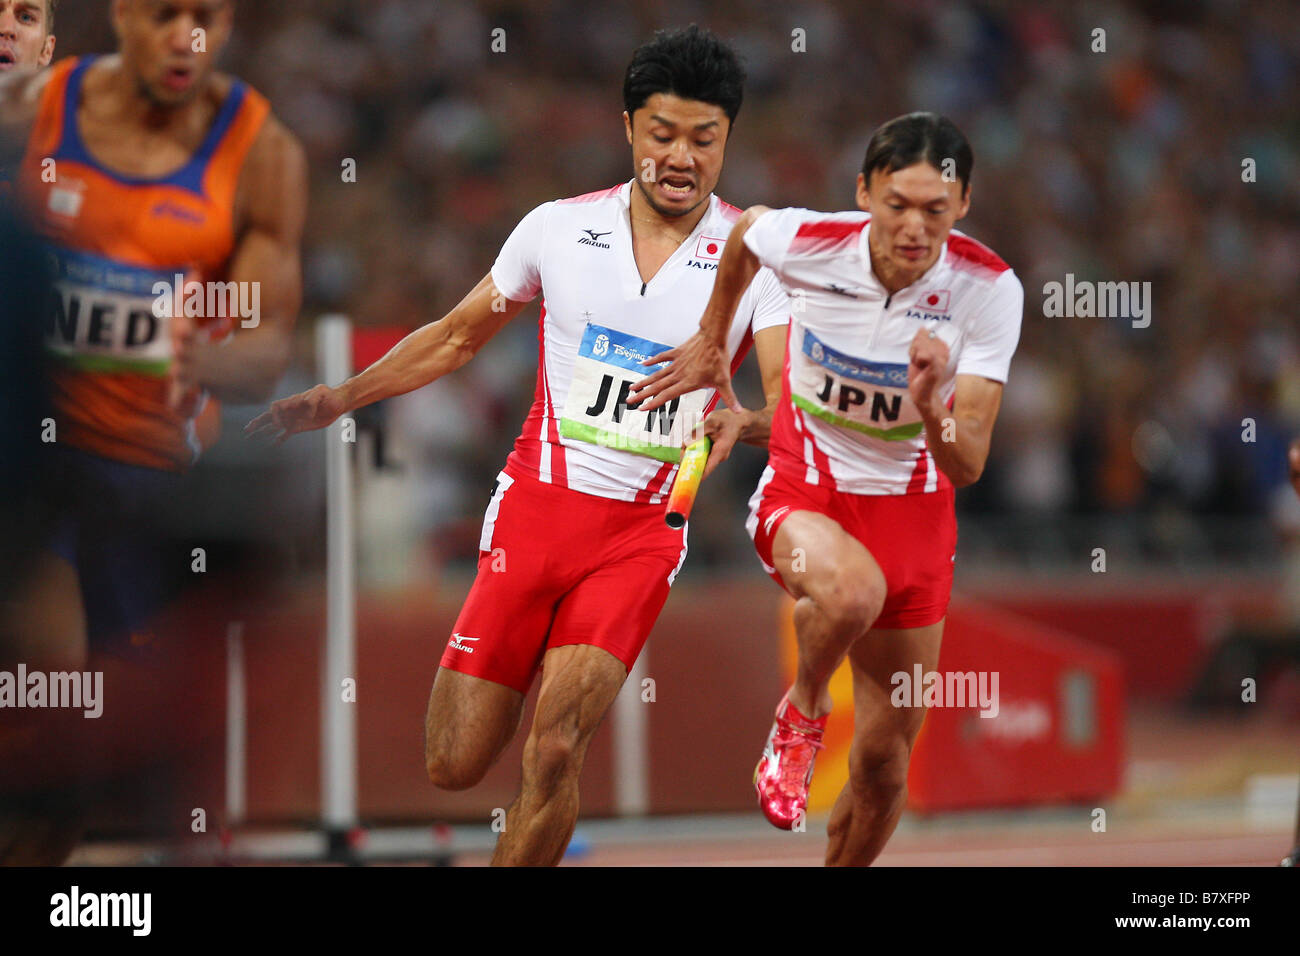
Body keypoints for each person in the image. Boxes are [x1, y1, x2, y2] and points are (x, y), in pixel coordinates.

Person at [247, 25, 789, 866]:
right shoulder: (557, 232)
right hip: (535, 514)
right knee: (454, 763)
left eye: (704, 139)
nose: (681, 156)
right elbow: (457, 337)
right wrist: (341, 397)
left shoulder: (758, 264)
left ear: (727, 141)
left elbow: (795, 410)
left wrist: (740, 421)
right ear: (628, 130)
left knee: (555, 749)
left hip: (642, 536)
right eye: (663, 134)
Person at [631, 112, 1024, 865]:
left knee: (882, 768)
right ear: (864, 192)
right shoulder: (814, 243)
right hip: (805, 495)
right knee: (848, 593)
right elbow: (746, 231)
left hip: (915, 525)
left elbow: (968, 464)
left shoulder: (987, 289)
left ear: (963, 203)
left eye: (935, 211)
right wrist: (715, 335)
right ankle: (804, 709)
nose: (914, 228)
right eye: (897, 205)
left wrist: (934, 403)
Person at [0, 0, 305, 864]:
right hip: (37, 475)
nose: (186, 36)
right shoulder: (35, 114)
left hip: (145, 484)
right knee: (47, 676)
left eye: (205, 15)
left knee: (84, 762)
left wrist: (200, 353)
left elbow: (265, 347)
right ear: (123, 19)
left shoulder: (260, 154)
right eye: (165, 13)